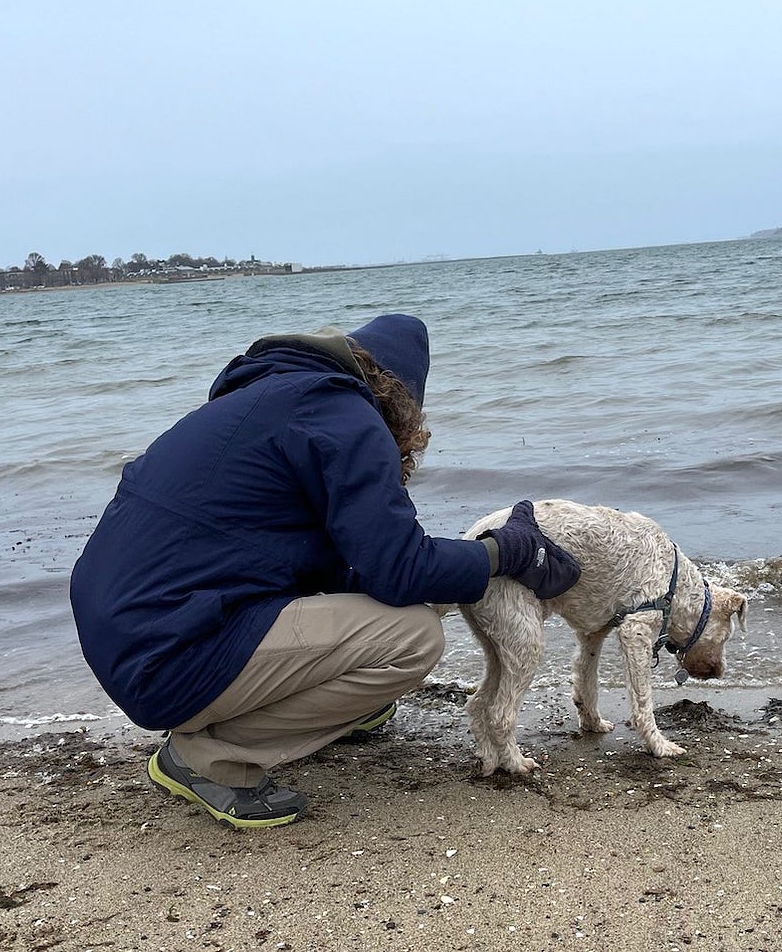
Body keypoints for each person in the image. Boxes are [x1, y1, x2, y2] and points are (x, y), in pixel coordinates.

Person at [70, 314, 579, 828]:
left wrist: (440, 570)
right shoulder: (346, 416)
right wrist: (504, 553)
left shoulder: (269, 401)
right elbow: (403, 568)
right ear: (400, 398)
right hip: (168, 659)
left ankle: (344, 707)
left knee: (384, 605)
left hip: (130, 636)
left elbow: (347, 567)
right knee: (413, 637)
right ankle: (207, 759)